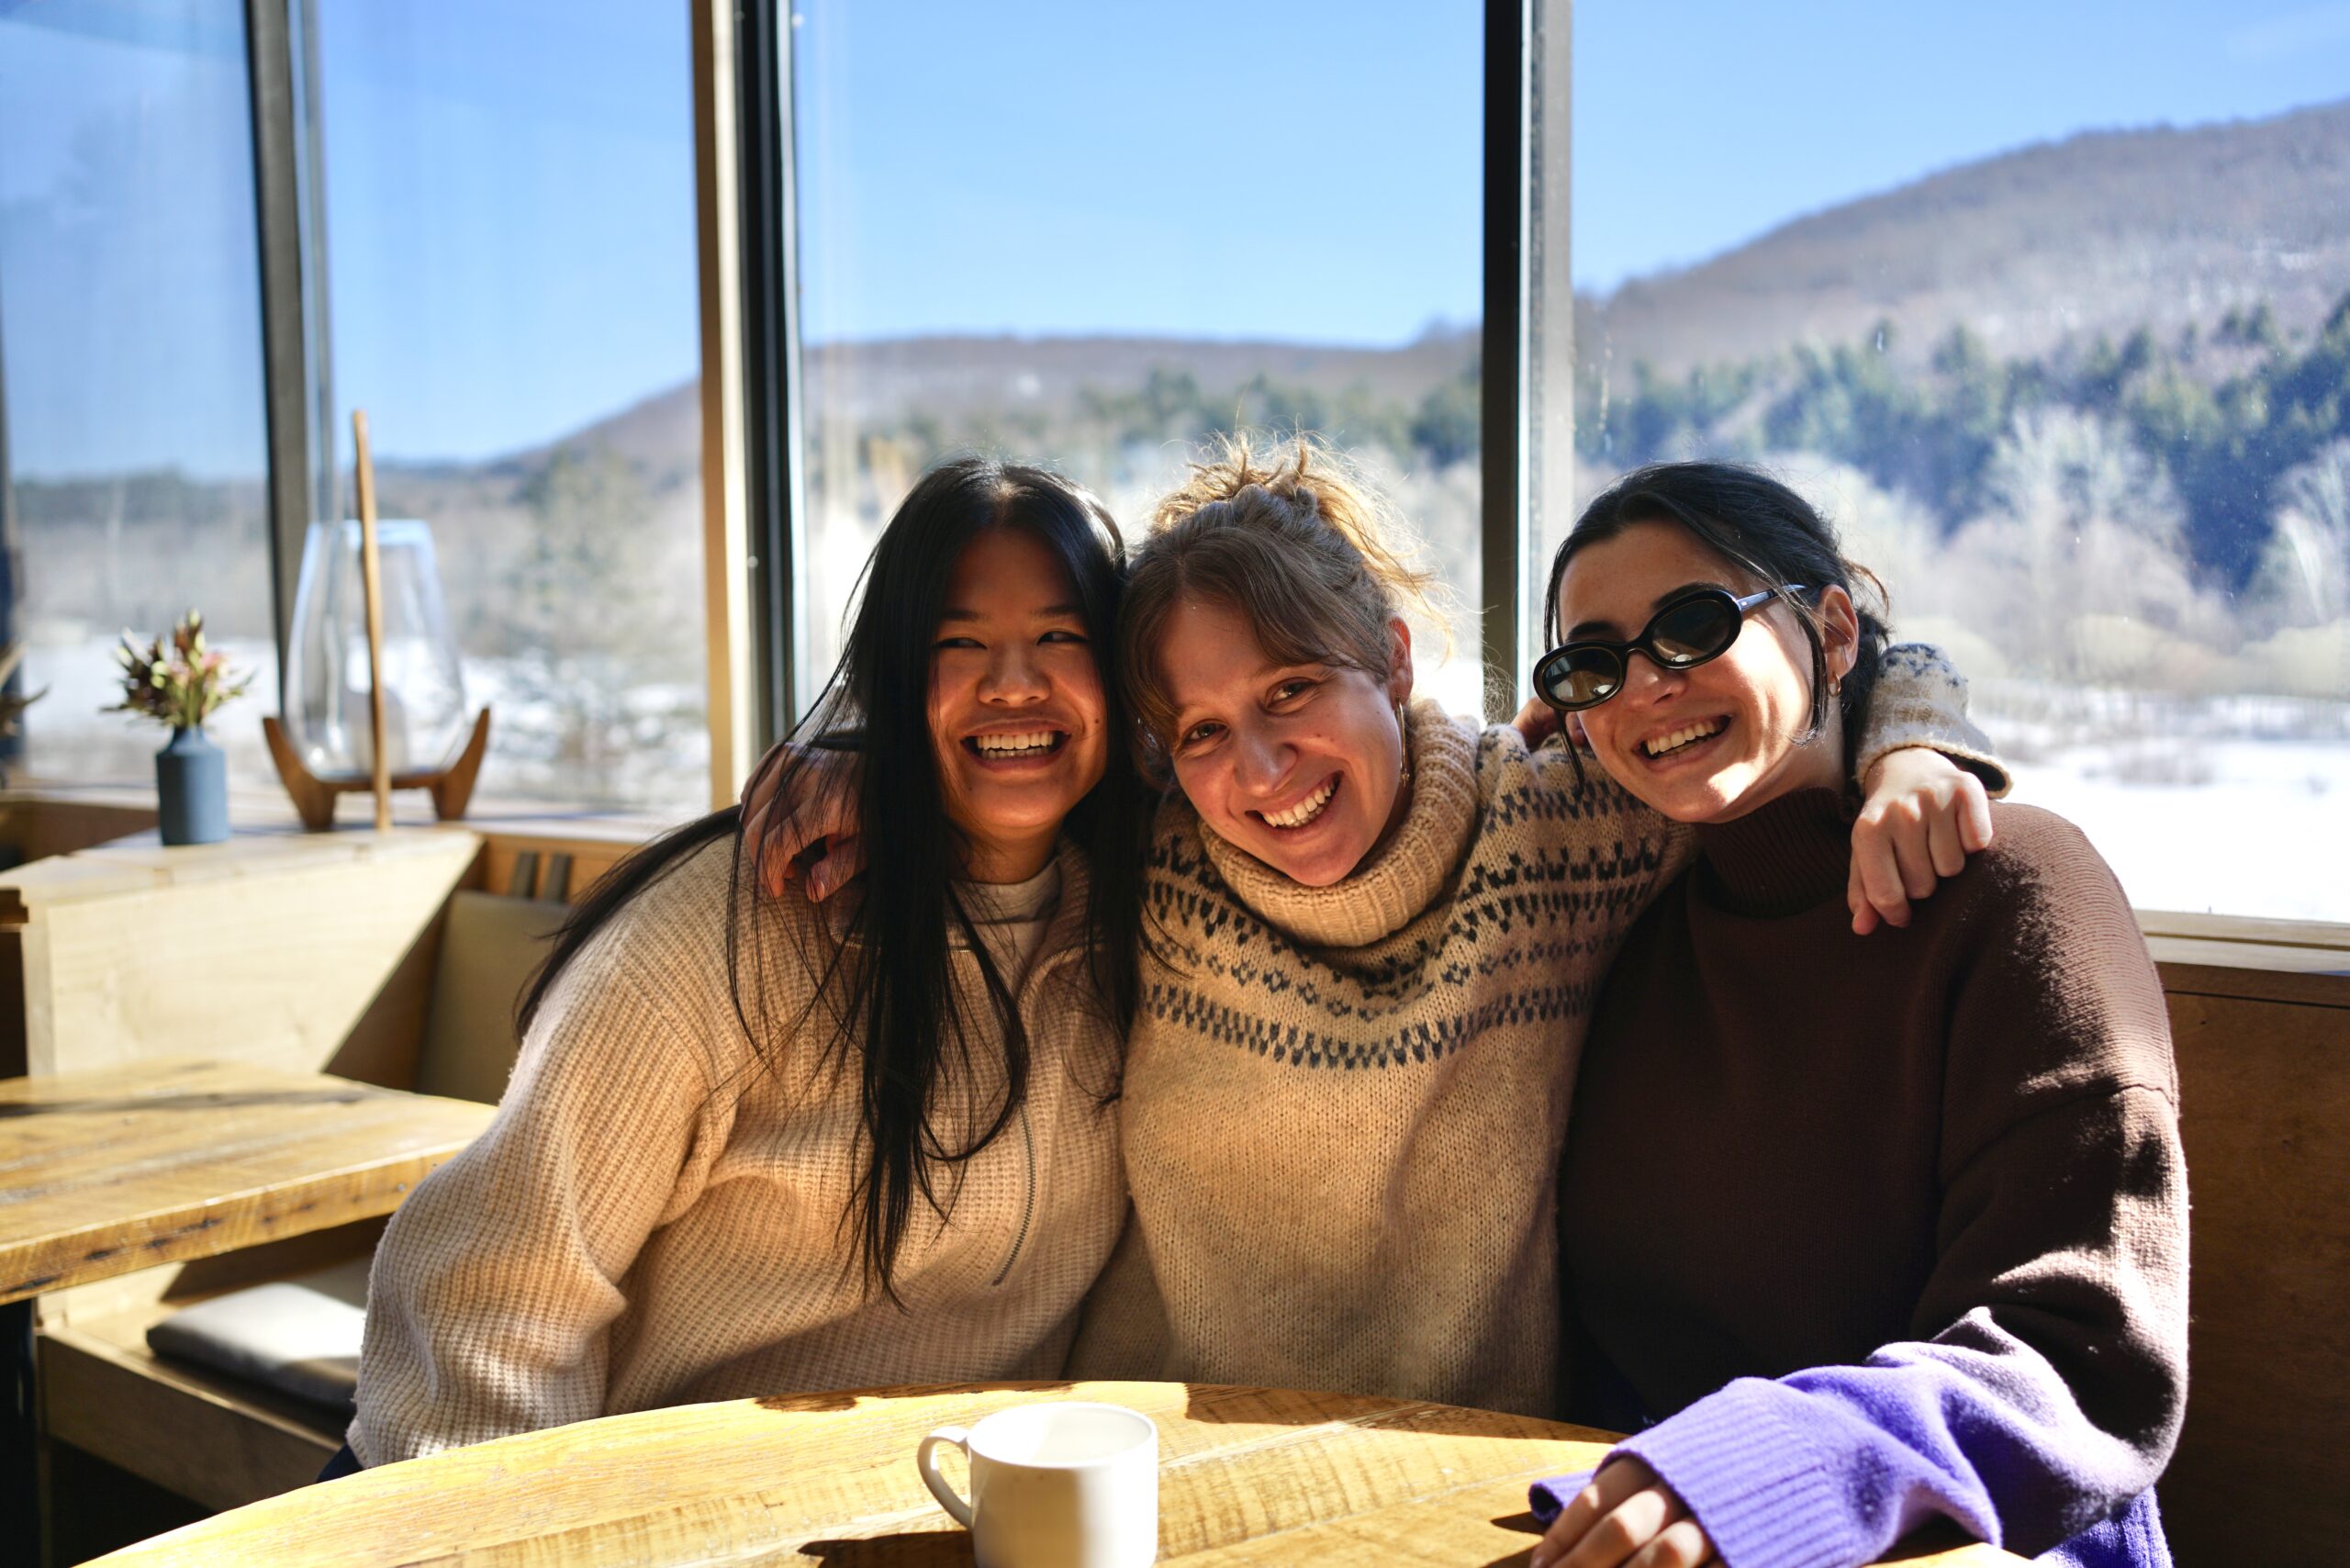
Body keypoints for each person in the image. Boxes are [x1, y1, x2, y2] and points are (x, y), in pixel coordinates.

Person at [756, 437, 2006, 1419]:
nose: (1258, 768)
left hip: (1458, 1486)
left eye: (1293, 689)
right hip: (1154, 1464)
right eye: (1199, 730)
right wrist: (870, 769)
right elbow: (1010, 761)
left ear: (1396, 661)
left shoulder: (1564, 828)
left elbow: (1781, 689)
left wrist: (1913, 739)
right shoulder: (1158, 857)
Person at [341, 458, 1150, 1469]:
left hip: (943, 1510)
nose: (1013, 682)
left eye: (1061, 636)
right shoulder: (739, 924)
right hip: (650, 1517)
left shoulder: (1148, 923)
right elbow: (491, 1301)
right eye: (958, 644)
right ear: (893, 676)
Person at [1524, 462, 2186, 1568]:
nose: (1644, 686)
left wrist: (1761, 1470)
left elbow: (2079, 1356)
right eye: (1594, 661)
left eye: (1691, 625)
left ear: (1832, 633)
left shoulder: (2017, 890)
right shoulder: (1631, 941)